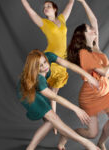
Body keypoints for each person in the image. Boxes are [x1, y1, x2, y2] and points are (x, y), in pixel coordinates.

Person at [58, 0, 109, 150]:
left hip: (104, 90)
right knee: (91, 133)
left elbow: (95, 21)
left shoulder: (95, 46)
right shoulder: (84, 53)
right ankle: (67, 134)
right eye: (89, 30)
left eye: (93, 29)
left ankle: (101, 143)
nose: (94, 30)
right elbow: (104, 72)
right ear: (83, 36)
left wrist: (82, 2)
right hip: (90, 95)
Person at [17, 49, 100, 150]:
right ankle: (87, 144)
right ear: (35, 69)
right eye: (40, 66)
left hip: (37, 89)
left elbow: (69, 65)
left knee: (51, 121)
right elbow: (55, 97)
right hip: (27, 94)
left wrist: (88, 76)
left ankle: (30, 148)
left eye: (44, 62)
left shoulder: (48, 56)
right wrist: (76, 109)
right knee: (53, 119)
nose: (45, 66)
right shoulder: (39, 80)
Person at [21, 1, 75, 134]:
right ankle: (50, 118)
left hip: (62, 61)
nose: (45, 9)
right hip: (50, 60)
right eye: (44, 7)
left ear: (55, 9)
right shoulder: (44, 23)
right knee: (46, 92)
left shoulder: (62, 19)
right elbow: (31, 12)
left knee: (54, 93)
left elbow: (69, 7)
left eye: (48, 6)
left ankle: (53, 122)